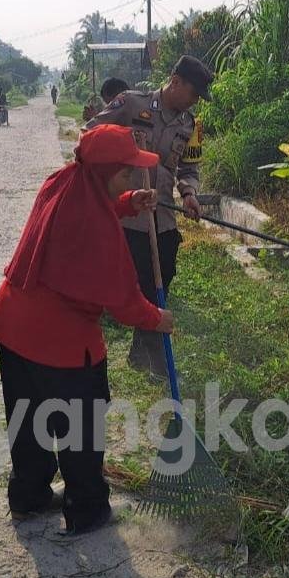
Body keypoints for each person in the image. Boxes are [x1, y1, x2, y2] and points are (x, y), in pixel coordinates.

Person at [0, 124, 174, 535]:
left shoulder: (64, 180)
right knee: (82, 425)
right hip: (58, 336)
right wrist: (158, 319)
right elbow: (125, 301)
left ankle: (29, 496)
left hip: (12, 319)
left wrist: (128, 202)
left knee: (28, 416)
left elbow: (93, 202)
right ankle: (87, 509)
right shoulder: (98, 229)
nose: (132, 177)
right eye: (127, 174)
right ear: (106, 172)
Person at [84, 55, 214, 379]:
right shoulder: (130, 103)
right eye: (194, 92)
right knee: (143, 282)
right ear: (175, 81)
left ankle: (140, 352)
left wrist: (189, 194)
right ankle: (158, 362)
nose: (195, 100)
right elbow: (90, 136)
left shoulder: (189, 124)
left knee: (163, 276)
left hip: (162, 215)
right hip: (127, 213)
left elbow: (188, 167)